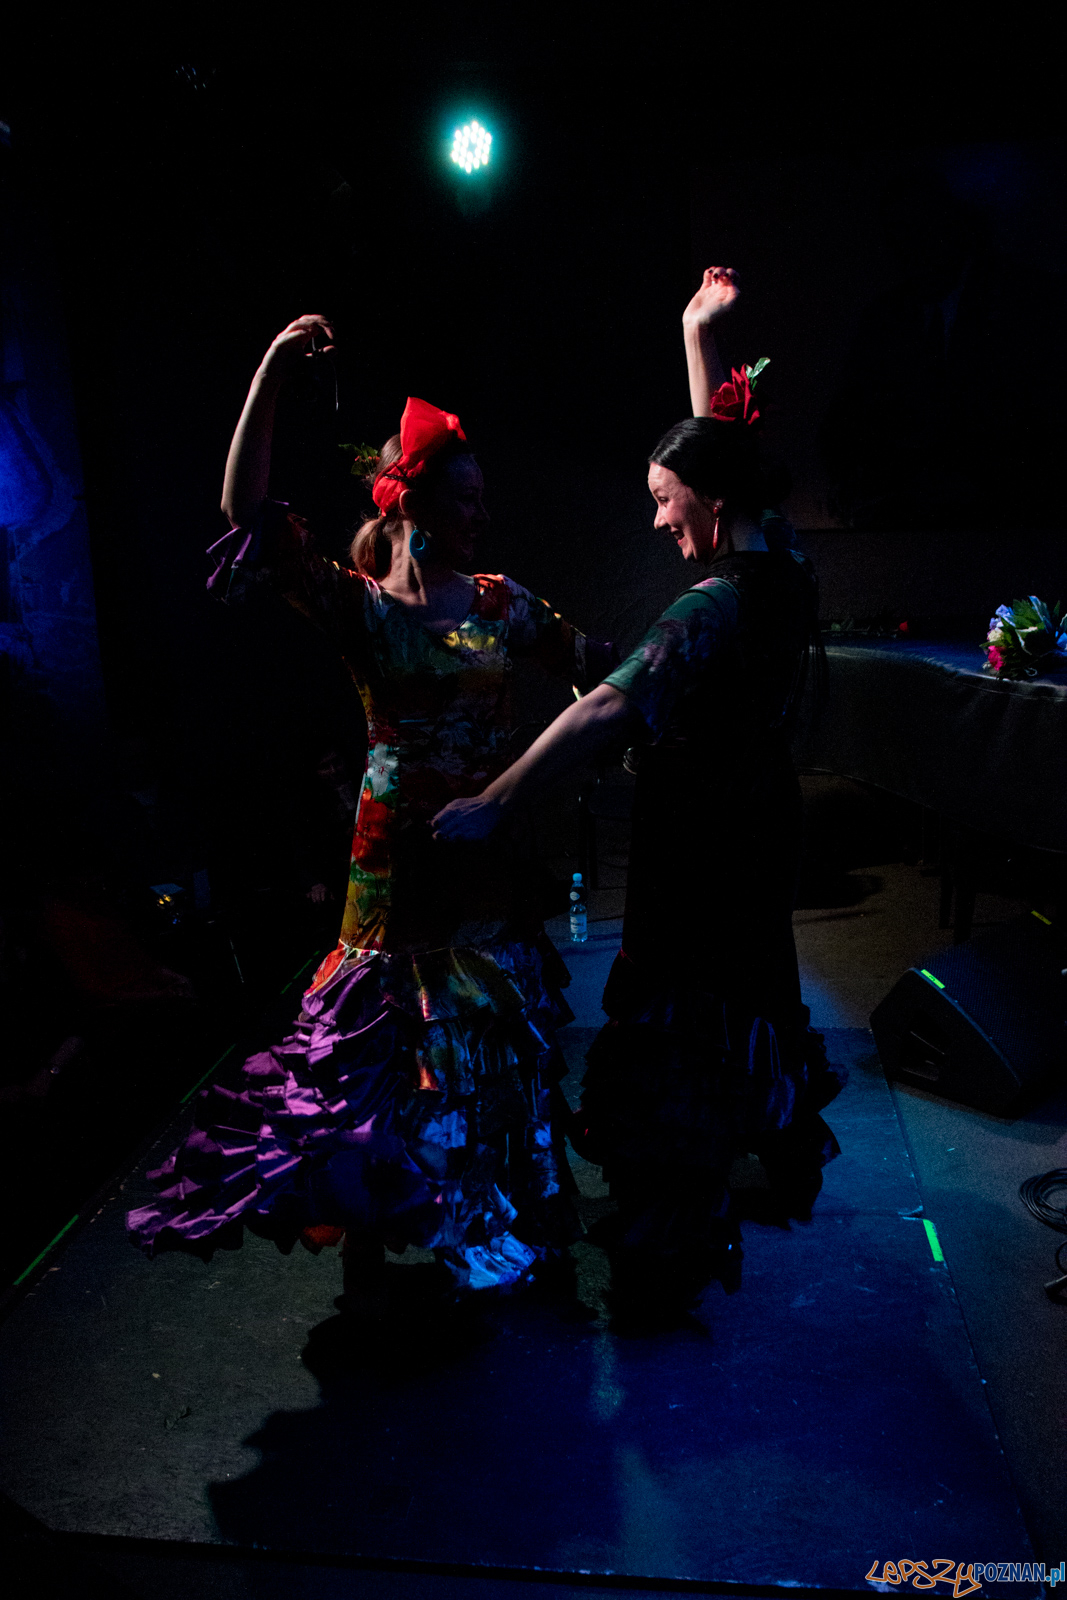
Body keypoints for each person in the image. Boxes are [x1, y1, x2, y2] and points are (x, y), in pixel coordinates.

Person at [127, 314, 615, 1309]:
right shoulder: (360, 605)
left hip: (484, 862)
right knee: (373, 1050)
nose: (481, 514)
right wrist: (270, 368)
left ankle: (490, 1219)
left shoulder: (501, 602)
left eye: (481, 497)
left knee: (489, 1044)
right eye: (464, 498)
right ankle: (370, 1238)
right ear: (415, 503)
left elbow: (597, 673)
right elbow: (242, 508)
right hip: (392, 863)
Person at [433, 269, 844, 1327]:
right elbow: (723, 457)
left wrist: (498, 797)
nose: (659, 519)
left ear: (709, 503)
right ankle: (769, 1143)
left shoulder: (708, 610)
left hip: (698, 837)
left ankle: (671, 1226)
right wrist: (695, 335)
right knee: (750, 984)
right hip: (758, 816)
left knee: (678, 1005)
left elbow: (607, 710)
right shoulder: (783, 563)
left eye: (665, 502)